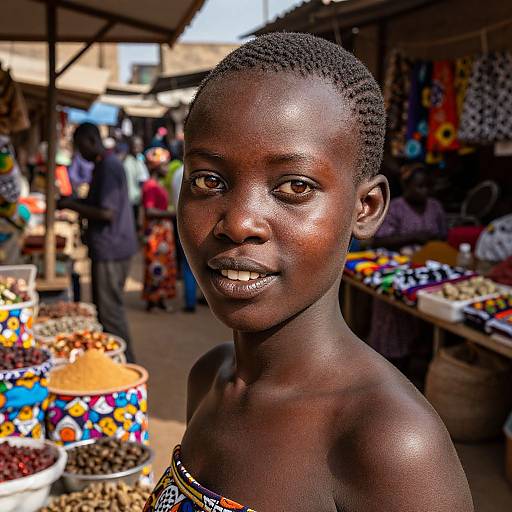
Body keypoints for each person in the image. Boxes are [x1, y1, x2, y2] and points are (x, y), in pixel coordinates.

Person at [144, 33, 472, 512]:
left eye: (294, 186)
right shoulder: (210, 378)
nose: (239, 222)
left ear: (366, 207)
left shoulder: (390, 445)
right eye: (208, 180)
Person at [57, 122, 138, 363]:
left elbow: (106, 212)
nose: (80, 153)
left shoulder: (108, 167)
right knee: (107, 310)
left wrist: (72, 205)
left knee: (110, 313)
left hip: (111, 248)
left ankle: (124, 366)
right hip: (109, 246)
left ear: (92, 141)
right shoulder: (103, 166)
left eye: (81, 146)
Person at [367, 163, 448, 370]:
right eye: (419, 186)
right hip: (396, 274)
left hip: (426, 273)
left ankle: (419, 358)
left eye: (427, 187)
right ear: (406, 186)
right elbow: (377, 241)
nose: (424, 191)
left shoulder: (435, 207)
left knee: (423, 321)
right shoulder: (394, 208)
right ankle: (389, 365)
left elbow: (443, 236)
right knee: (394, 322)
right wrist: (414, 237)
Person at [142, 147, 177, 312]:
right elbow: (149, 211)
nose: (167, 169)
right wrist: (171, 214)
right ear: (156, 166)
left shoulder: (157, 185)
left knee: (163, 265)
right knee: (155, 265)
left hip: (161, 231)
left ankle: (160, 299)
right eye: (164, 165)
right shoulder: (150, 186)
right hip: (156, 232)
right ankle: (153, 300)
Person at [171, 163, 197, 313]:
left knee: (188, 265)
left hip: (182, 222)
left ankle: (190, 301)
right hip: (194, 223)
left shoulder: (177, 173)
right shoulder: (186, 172)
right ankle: (195, 299)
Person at [123, 136, 149, 231]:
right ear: (130, 146)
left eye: (139, 145)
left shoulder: (138, 160)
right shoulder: (128, 163)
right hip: (133, 202)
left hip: (139, 201)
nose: (137, 148)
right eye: (135, 146)